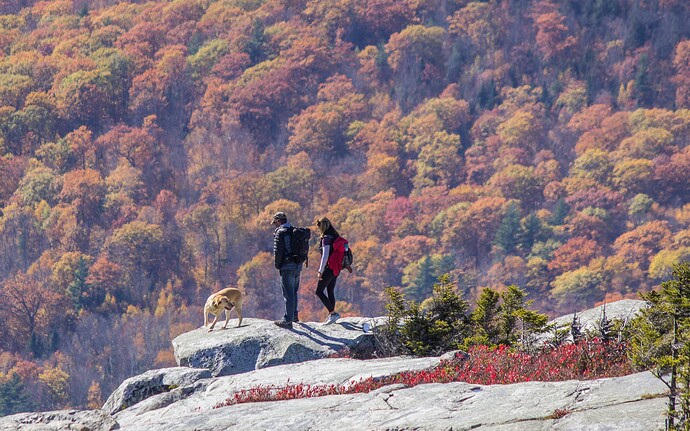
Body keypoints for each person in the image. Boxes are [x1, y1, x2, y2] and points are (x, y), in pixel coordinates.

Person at [272, 212, 302, 329]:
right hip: (298, 265)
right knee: (293, 291)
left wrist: (277, 265)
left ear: (279, 221)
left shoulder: (280, 233)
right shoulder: (294, 230)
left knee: (288, 293)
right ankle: (294, 315)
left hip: (287, 266)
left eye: (275, 222)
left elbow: (278, 251)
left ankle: (287, 320)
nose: (275, 225)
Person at [315, 217, 341, 325]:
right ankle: (332, 315)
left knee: (319, 291)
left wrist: (320, 270)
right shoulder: (335, 236)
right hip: (337, 268)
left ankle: (333, 313)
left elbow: (325, 256)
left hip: (329, 268)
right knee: (330, 290)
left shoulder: (326, 238)